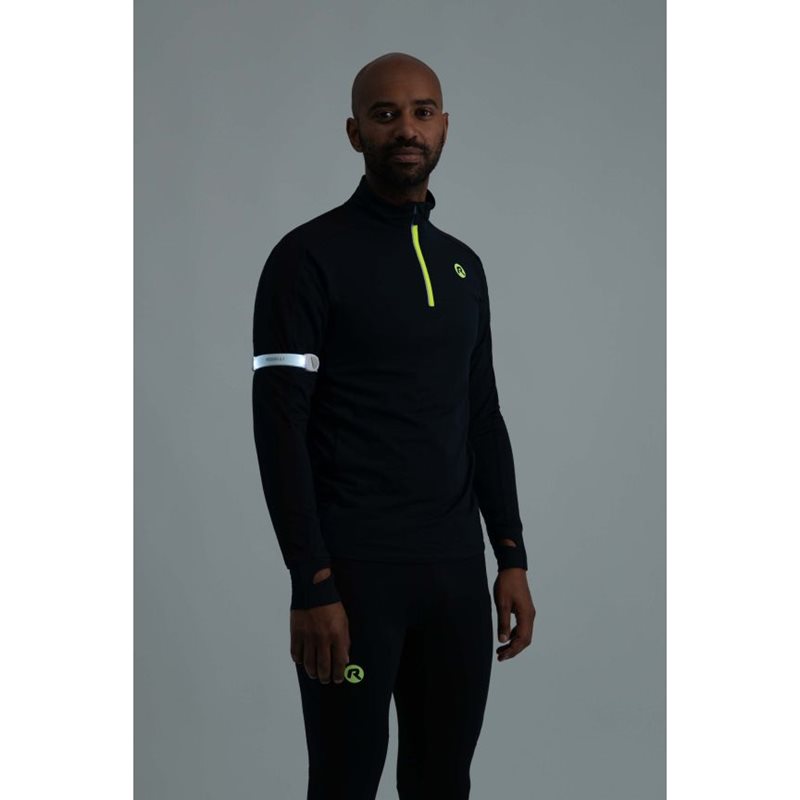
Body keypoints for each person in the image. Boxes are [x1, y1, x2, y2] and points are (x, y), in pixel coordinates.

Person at [251, 51, 536, 800]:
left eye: (421, 112)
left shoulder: (464, 267)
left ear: (443, 126)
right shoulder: (306, 258)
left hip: (455, 578)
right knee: (343, 783)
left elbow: (482, 417)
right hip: (353, 581)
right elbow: (279, 429)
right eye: (385, 115)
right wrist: (311, 583)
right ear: (355, 132)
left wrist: (510, 553)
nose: (406, 128)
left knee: (443, 783)